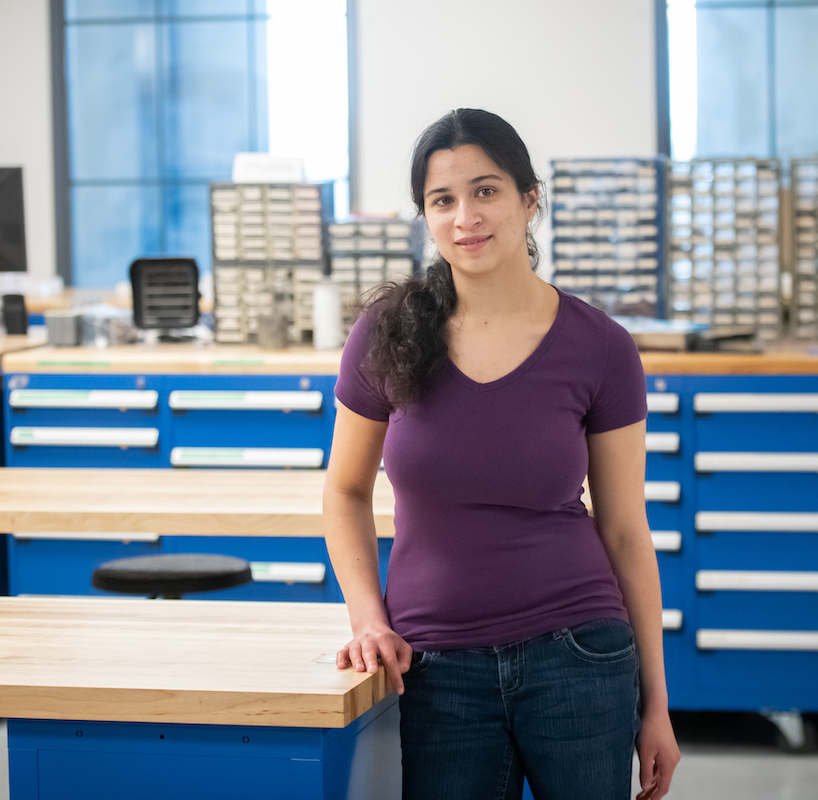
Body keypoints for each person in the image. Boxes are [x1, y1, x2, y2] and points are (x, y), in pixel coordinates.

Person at [323, 108, 680, 799]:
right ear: (426, 215)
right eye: (443, 200)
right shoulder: (386, 333)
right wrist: (367, 618)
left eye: (486, 191)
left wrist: (656, 705)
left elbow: (625, 532)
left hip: (578, 656)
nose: (467, 217)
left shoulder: (601, 346)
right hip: (434, 664)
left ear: (528, 198)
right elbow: (343, 493)